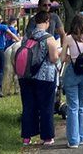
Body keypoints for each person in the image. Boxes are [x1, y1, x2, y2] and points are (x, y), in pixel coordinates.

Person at [19, 11, 60, 147]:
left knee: (28, 106)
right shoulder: (49, 38)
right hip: (45, 77)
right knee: (46, 107)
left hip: (26, 75)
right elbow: (54, 58)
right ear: (47, 21)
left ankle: (26, 137)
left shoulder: (27, 36)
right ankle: (47, 137)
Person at [62, 14, 83, 148]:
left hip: (72, 72)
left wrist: (72, 58)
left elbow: (63, 58)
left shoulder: (68, 38)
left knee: (72, 107)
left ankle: (73, 140)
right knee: (81, 106)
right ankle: (82, 137)